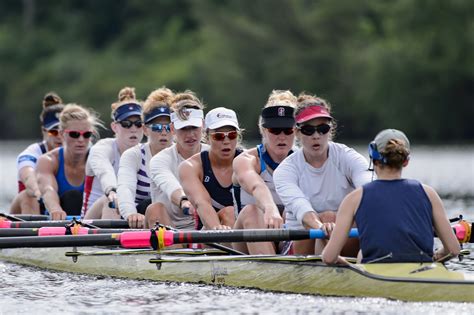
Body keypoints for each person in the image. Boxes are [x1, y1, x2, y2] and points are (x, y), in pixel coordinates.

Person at [322, 129, 461, 264]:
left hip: (375, 273)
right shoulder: (429, 193)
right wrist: (437, 257)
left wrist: (346, 264)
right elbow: (453, 250)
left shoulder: (354, 198)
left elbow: (329, 258)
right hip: (423, 270)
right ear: (406, 161)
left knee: (361, 254)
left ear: (373, 159)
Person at [274, 93, 372, 256]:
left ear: (330, 130)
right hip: (301, 243)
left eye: (322, 128)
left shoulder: (347, 156)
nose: (316, 136)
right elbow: (302, 208)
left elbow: (369, 189)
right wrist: (321, 227)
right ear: (297, 133)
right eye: (308, 130)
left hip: (341, 237)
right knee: (328, 217)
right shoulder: (286, 170)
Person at [232, 90, 297, 254]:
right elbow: (256, 186)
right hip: (246, 239)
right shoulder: (246, 160)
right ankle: (273, 272)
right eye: (275, 130)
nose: (282, 137)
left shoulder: (303, 161)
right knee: (252, 212)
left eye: (288, 130)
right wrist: (270, 208)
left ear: (296, 131)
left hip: (288, 234)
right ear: (263, 130)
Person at [146, 91, 209, 229]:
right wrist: (184, 201)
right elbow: (169, 185)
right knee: (154, 209)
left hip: (205, 225)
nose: (190, 135)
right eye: (184, 129)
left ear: (203, 125)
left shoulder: (212, 154)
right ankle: (175, 250)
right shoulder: (159, 160)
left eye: (194, 127)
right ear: (173, 129)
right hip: (170, 226)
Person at [83, 87, 144, 219]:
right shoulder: (102, 148)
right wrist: (111, 190)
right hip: (92, 222)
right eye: (126, 124)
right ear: (114, 127)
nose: (133, 129)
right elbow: (105, 172)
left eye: (139, 123)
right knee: (111, 200)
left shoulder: (146, 151)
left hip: (128, 216)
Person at [117, 87, 174, 228]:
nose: (163, 133)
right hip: (142, 219)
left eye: (168, 127)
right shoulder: (134, 155)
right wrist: (130, 213)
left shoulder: (183, 153)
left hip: (178, 216)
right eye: (157, 127)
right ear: (145, 129)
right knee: (154, 206)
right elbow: (125, 189)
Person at [179, 107, 242, 230]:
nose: (226, 141)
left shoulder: (248, 161)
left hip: (245, 230)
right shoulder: (191, 167)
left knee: (231, 213)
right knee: (229, 213)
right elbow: (202, 203)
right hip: (209, 236)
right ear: (207, 137)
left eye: (232, 135)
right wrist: (217, 229)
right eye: (218, 136)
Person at [36, 104, 101, 219]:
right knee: (72, 196)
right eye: (74, 134)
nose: (81, 140)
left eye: (87, 135)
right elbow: (48, 190)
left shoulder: (99, 160)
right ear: (61, 134)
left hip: (90, 220)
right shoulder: (48, 161)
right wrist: (55, 209)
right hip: (59, 221)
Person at [10, 92, 64, 214]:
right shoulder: (31, 153)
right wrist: (39, 191)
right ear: (44, 131)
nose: (59, 137)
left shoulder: (81, 151)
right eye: (53, 132)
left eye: (63, 131)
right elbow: (28, 176)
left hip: (65, 211)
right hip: (35, 207)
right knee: (28, 195)